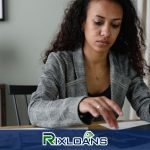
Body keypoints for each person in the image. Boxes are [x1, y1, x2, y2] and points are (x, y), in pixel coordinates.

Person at [28, 0, 150, 128]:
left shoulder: (124, 64)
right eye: (98, 22)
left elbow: (144, 104)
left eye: (115, 25)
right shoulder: (60, 61)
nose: (106, 32)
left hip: (109, 142)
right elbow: (35, 110)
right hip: (70, 142)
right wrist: (79, 104)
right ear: (82, 22)